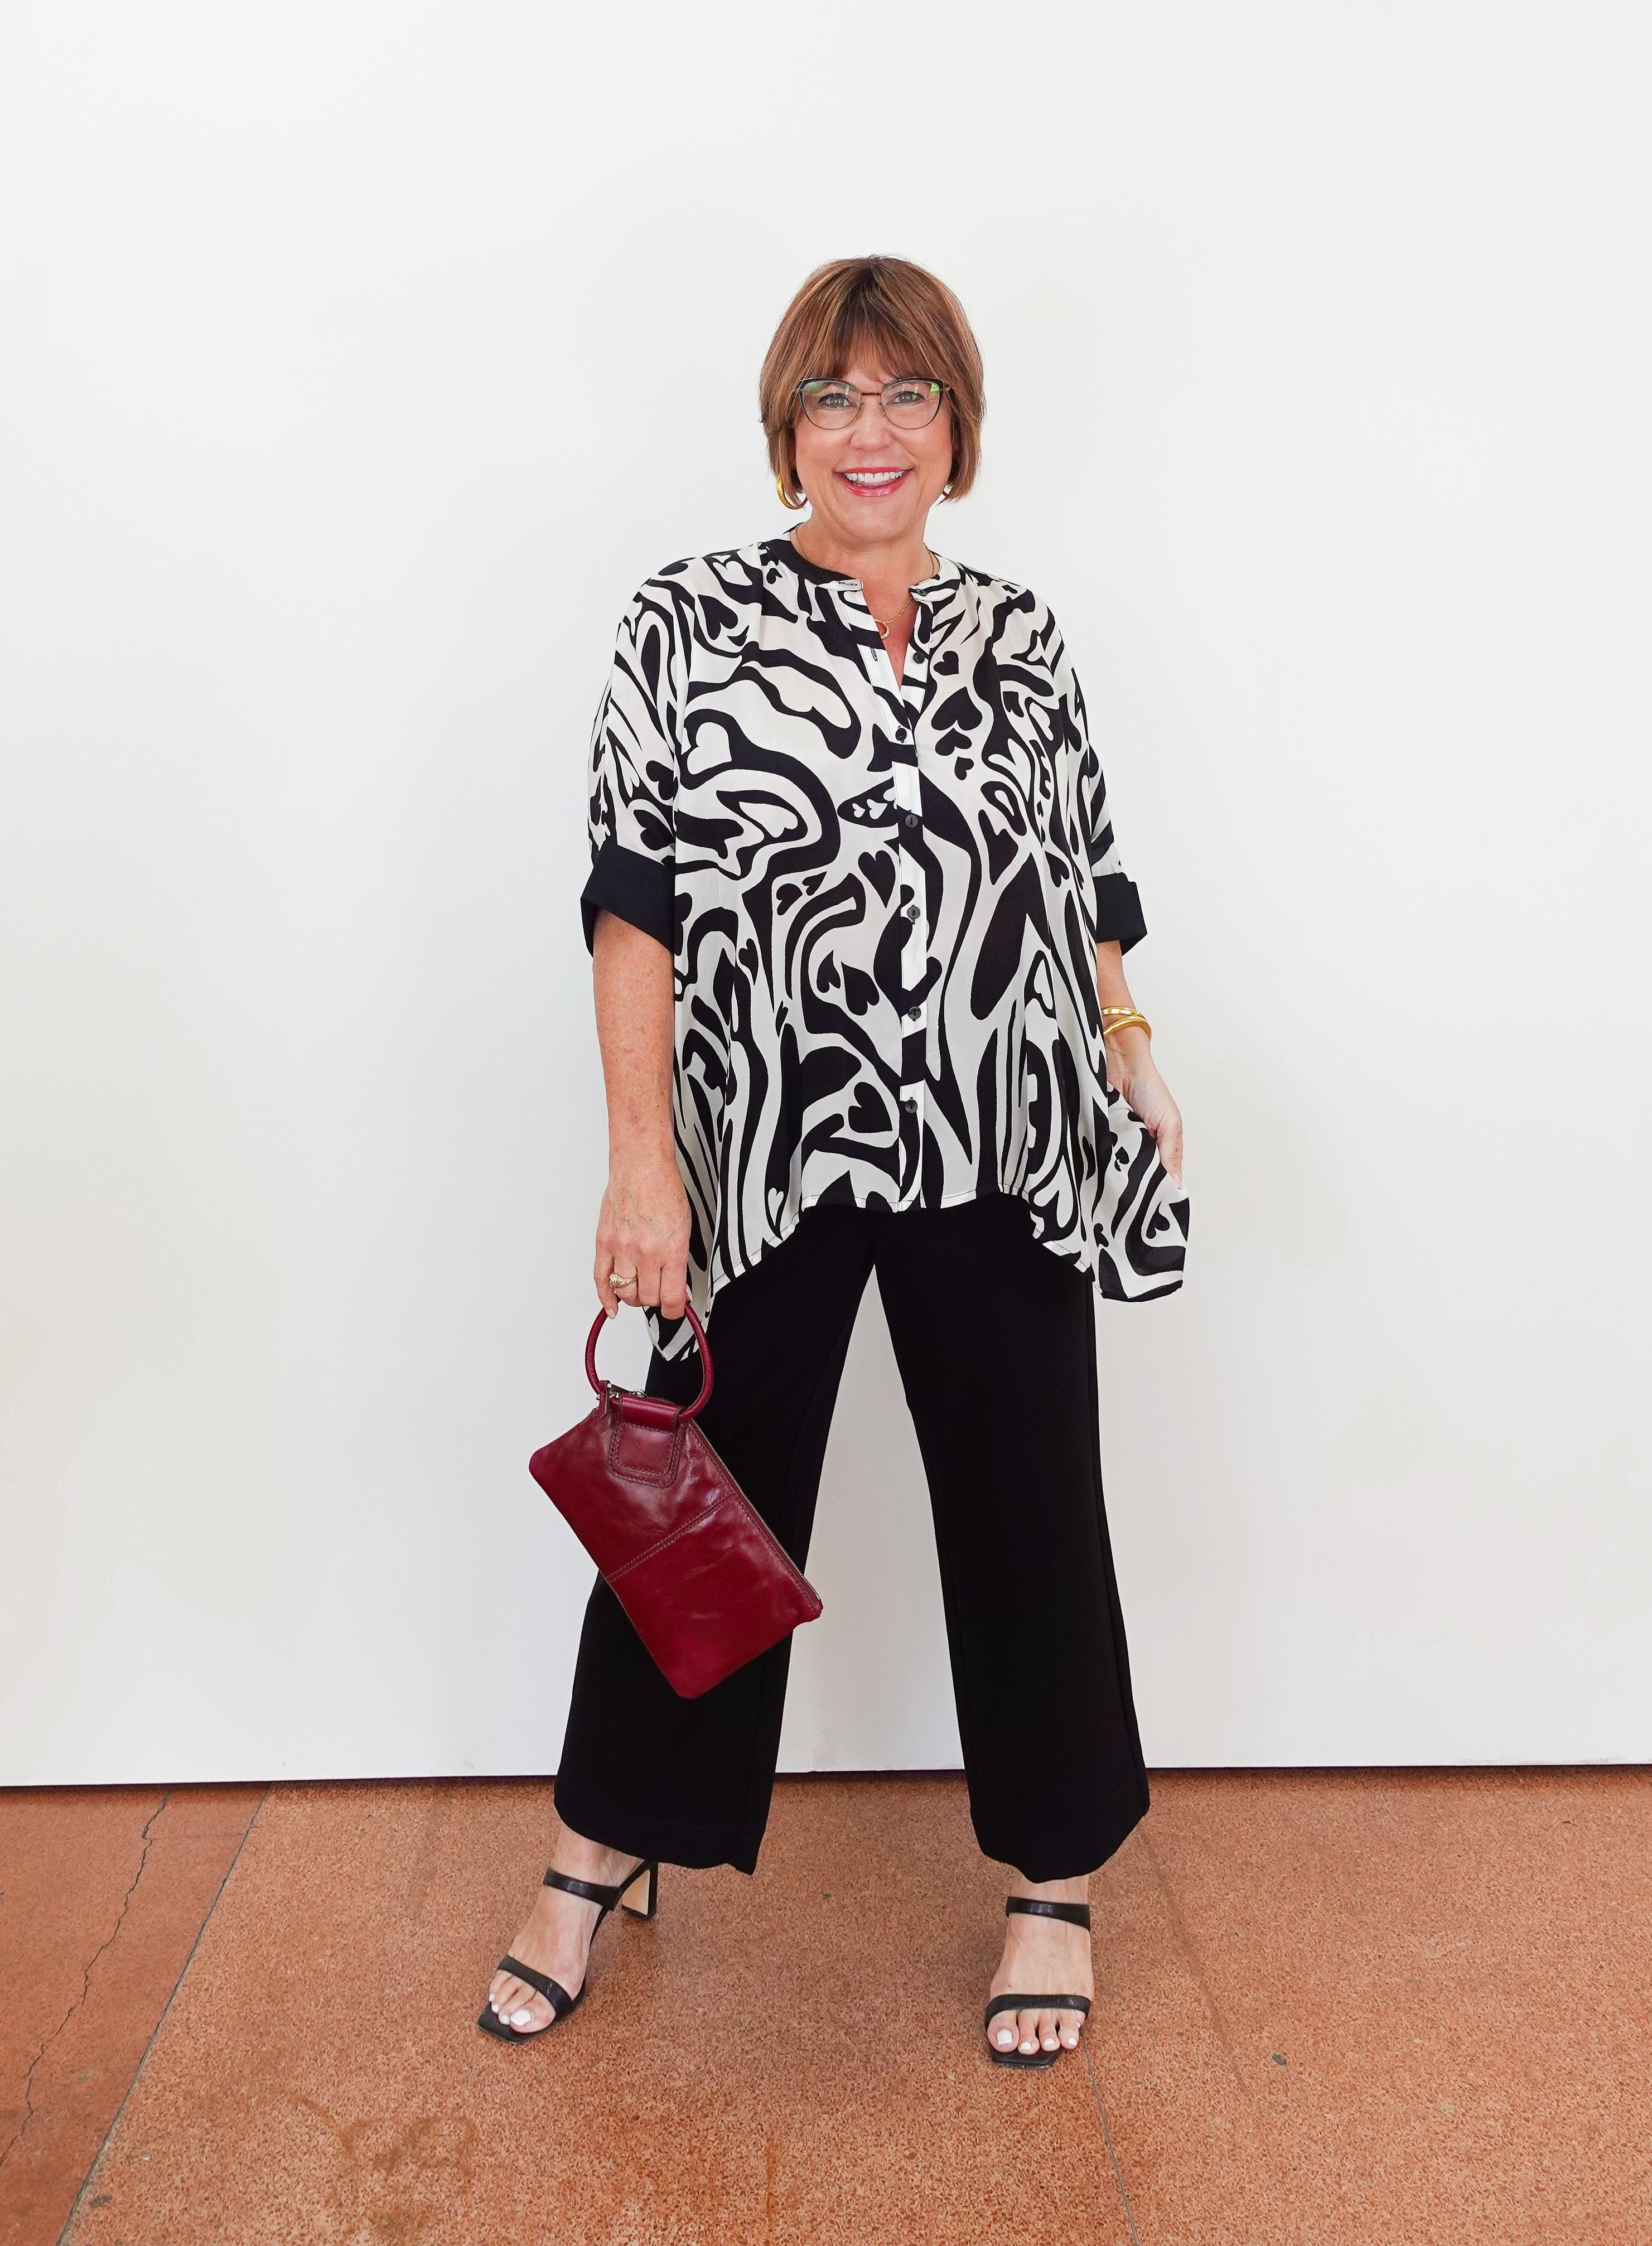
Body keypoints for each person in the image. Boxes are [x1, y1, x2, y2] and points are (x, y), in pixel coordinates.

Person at [481, 255, 1189, 2064]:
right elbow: (631, 904)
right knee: (693, 1508)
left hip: (1008, 1144)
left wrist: (1127, 1045)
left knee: (1033, 1513)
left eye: (907, 398)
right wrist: (643, 1165)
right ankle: (593, 1858)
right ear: (786, 426)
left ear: (958, 427)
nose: (870, 434)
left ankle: (1054, 1882)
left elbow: (1084, 877)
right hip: (764, 1155)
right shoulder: (688, 620)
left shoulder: (1021, 634)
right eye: (833, 399)